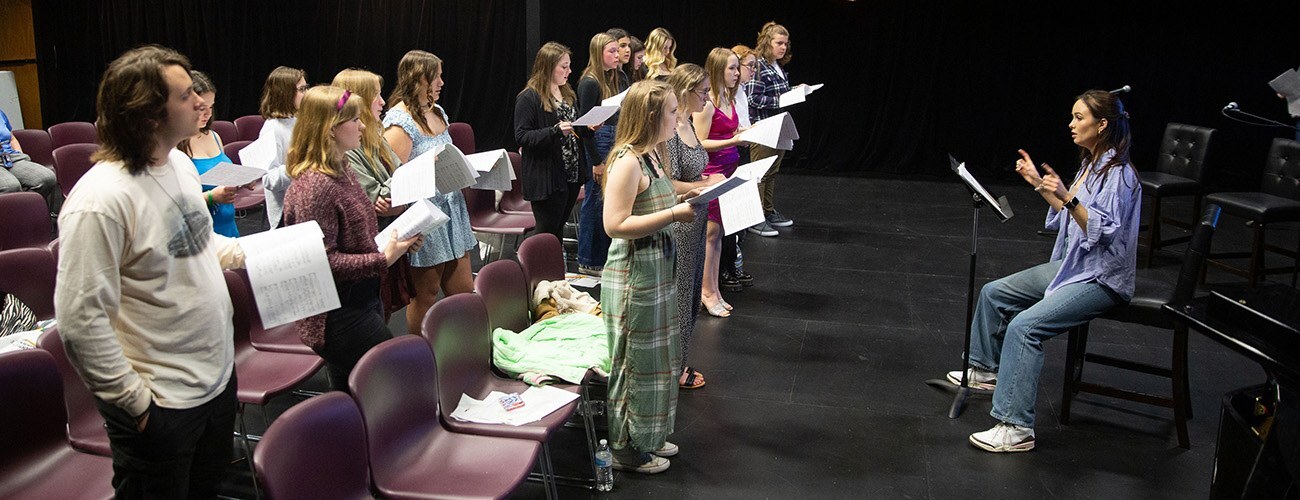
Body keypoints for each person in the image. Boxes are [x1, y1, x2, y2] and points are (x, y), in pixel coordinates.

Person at [55, 45, 247, 498]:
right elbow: (81, 322)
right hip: (161, 403)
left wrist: (264, 251)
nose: (201, 101)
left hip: (215, 383)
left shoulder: (179, 164)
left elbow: (195, 245)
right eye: (185, 96)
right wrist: (137, 406)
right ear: (147, 115)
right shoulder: (101, 200)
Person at [946, 90, 1141, 453]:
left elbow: (1102, 232)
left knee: (1025, 327)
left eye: (1079, 118)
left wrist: (1067, 197)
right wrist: (1038, 183)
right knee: (995, 292)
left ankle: (1017, 427)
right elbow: (1072, 214)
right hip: (1074, 266)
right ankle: (985, 369)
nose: (1071, 124)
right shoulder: (1090, 166)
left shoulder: (1120, 175)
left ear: (1102, 125)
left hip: (1101, 278)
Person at [283, 85, 422, 391]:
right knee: (400, 381)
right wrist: (384, 257)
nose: (363, 125)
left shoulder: (342, 168)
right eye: (354, 120)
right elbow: (320, 261)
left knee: (354, 397)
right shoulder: (315, 187)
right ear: (330, 129)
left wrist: (398, 243)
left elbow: (358, 236)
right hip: (336, 314)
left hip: (361, 299)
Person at [602, 79, 700, 474]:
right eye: (673, 112)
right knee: (632, 363)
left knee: (656, 359)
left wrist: (684, 198)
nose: (679, 118)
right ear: (651, 116)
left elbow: (652, 200)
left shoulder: (652, 157)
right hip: (633, 277)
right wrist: (674, 214)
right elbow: (615, 224)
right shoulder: (627, 162)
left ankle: (648, 436)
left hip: (655, 272)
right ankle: (626, 448)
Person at [382, 50, 478, 335]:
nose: (442, 82)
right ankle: (417, 354)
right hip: (426, 213)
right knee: (426, 294)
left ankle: (464, 350)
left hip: (451, 208)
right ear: (418, 79)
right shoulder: (400, 122)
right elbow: (394, 179)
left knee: (463, 291)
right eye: (436, 76)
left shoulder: (437, 111)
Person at [332, 68, 413, 319]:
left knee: (382, 311)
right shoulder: (347, 149)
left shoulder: (375, 136)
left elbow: (400, 184)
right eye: (375, 96)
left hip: (385, 237)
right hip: (367, 250)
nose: (381, 102)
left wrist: (400, 193)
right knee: (372, 317)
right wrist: (400, 188)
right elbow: (378, 197)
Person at [667, 63, 724, 389]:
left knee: (690, 298)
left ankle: (681, 360)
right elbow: (668, 182)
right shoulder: (672, 128)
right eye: (703, 91)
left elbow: (692, 174)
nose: (707, 97)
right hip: (682, 222)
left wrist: (709, 180)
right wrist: (699, 186)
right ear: (686, 91)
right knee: (679, 297)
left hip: (697, 216)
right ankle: (673, 366)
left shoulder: (688, 122)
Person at [515, 42, 589, 243]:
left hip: (570, 172)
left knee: (557, 229)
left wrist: (587, 126)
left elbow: (573, 126)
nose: (569, 71)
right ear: (547, 67)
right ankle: (533, 269)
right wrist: (554, 131)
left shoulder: (566, 93)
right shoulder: (529, 98)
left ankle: (554, 270)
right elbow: (522, 136)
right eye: (563, 66)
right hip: (546, 174)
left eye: (569, 66)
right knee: (547, 230)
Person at [693, 48, 744, 318]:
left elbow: (727, 130)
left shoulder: (728, 97)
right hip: (712, 171)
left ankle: (713, 288)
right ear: (717, 70)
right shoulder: (709, 103)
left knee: (720, 234)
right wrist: (733, 140)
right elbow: (700, 142)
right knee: (711, 234)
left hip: (729, 169)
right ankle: (706, 291)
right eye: (732, 69)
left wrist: (742, 133)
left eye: (737, 68)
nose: (737, 73)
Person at [575, 32, 627, 276]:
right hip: (599, 141)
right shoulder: (590, 82)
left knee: (608, 199)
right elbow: (584, 128)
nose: (617, 56)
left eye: (618, 51)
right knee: (595, 198)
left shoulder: (615, 77)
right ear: (599, 53)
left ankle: (605, 256)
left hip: (614, 137)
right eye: (612, 51)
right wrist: (595, 161)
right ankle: (589, 259)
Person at [179, 70, 243, 237]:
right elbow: (173, 205)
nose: (208, 114)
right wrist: (211, 197)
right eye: (201, 108)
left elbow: (222, 176)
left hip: (228, 226)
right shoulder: (174, 147)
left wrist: (241, 181)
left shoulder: (214, 136)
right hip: (201, 234)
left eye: (211, 107)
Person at [744, 22, 794, 237]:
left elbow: (777, 93)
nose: (783, 47)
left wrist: (794, 91)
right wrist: (782, 99)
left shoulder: (777, 66)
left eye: (786, 43)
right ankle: (755, 218)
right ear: (767, 43)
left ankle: (768, 211)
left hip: (778, 126)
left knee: (772, 171)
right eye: (779, 43)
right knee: (760, 173)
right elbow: (752, 98)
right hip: (763, 127)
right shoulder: (759, 66)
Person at [258, 66, 307, 229]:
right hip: (285, 214)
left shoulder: (300, 119)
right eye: (301, 89)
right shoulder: (272, 128)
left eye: (306, 88)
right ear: (285, 94)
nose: (306, 94)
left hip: (304, 205)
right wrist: (299, 164)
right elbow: (269, 180)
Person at [0, 107, 56, 203]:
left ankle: (26, 209)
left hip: (10, 157)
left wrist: (20, 155)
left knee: (47, 178)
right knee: (11, 187)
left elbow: (12, 139)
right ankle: (11, 214)